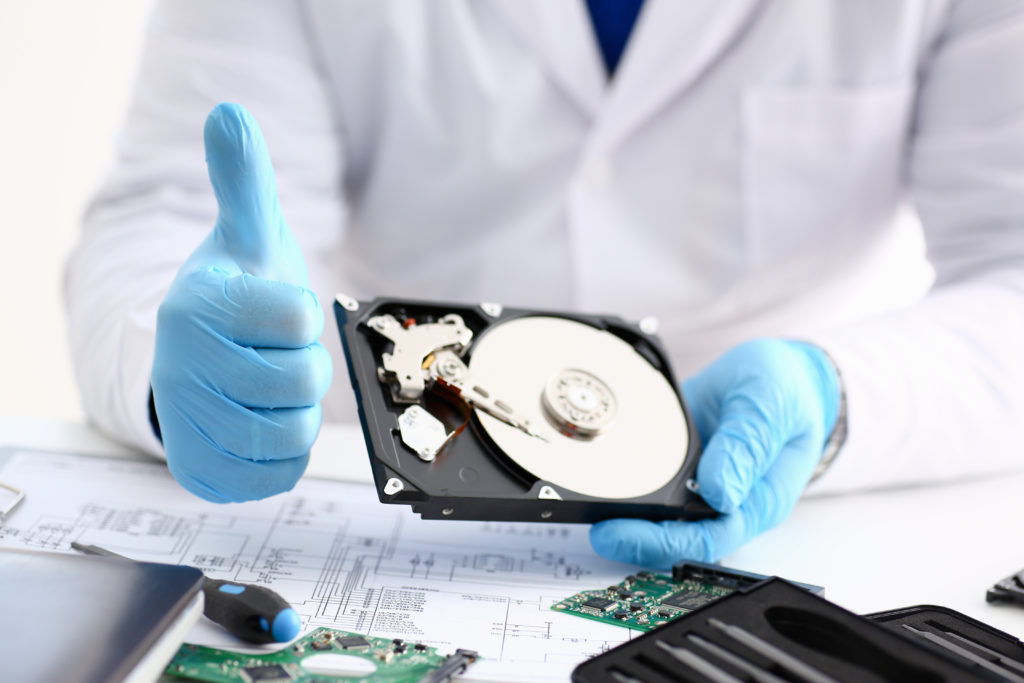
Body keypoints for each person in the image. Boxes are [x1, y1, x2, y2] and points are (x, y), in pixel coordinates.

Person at [66, 1, 1024, 568]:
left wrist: (839, 396)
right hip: (403, 475)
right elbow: (176, 210)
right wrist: (183, 366)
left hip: (804, 498)